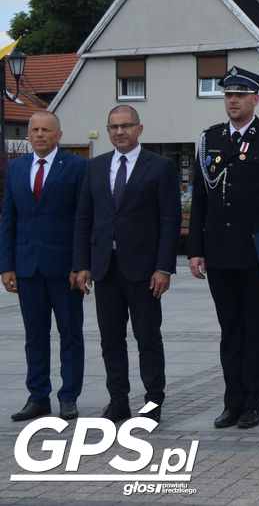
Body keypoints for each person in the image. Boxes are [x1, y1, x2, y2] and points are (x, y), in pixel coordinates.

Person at [188, 66, 259, 430]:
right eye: (228, 95)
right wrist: (196, 249)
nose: (232, 100)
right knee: (230, 329)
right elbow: (201, 199)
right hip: (220, 251)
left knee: (256, 329)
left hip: (257, 251)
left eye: (240, 95)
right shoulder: (210, 139)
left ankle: (254, 401)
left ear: (255, 99)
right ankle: (232, 401)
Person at [72, 105, 181, 423]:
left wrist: (164, 267)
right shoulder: (94, 167)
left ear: (139, 129)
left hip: (144, 270)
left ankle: (152, 402)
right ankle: (118, 399)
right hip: (105, 267)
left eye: (126, 126)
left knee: (147, 336)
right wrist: (82, 264)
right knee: (110, 339)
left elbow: (169, 220)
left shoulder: (160, 167)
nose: (119, 132)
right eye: (113, 127)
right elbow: (84, 217)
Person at [1, 111, 86, 422]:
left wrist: (80, 265)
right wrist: (6, 265)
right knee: (34, 336)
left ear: (59, 135)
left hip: (65, 270)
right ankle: (38, 397)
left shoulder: (76, 167)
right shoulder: (16, 168)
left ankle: (68, 398)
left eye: (46, 130)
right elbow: (9, 218)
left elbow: (81, 220)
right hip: (27, 268)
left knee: (70, 335)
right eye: (34, 130)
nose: (39, 135)